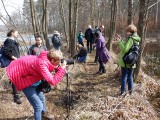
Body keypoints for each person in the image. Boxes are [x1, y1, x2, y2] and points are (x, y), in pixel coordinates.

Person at [6, 50, 67, 120]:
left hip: (33, 79)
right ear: (52, 60)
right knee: (38, 106)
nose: (59, 63)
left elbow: (51, 66)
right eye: (58, 62)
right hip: (24, 80)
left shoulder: (46, 58)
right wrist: (62, 69)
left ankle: (43, 114)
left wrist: (59, 67)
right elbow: (53, 81)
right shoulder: (42, 64)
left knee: (42, 99)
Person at [115, 24, 141, 96]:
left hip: (126, 61)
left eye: (127, 31)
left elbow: (125, 49)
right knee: (130, 76)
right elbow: (128, 46)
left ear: (130, 31)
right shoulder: (136, 38)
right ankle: (130, 92)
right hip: (132, 61)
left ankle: (122, 92)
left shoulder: (131, 39)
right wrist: (121, 40)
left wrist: (119, 42)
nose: (126, 32)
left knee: (124, 77)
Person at [3, 29, 22, 104]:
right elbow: (6, 51)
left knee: (16, 77)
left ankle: (17, 92)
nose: (18, 34)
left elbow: (15, 51)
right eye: (17, 33)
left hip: (16, 62)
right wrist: (14, 58)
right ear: (12, 33)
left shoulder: (13, 41)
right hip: (13, 62)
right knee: (14, 78)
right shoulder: (8, 41)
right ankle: (16, 96)